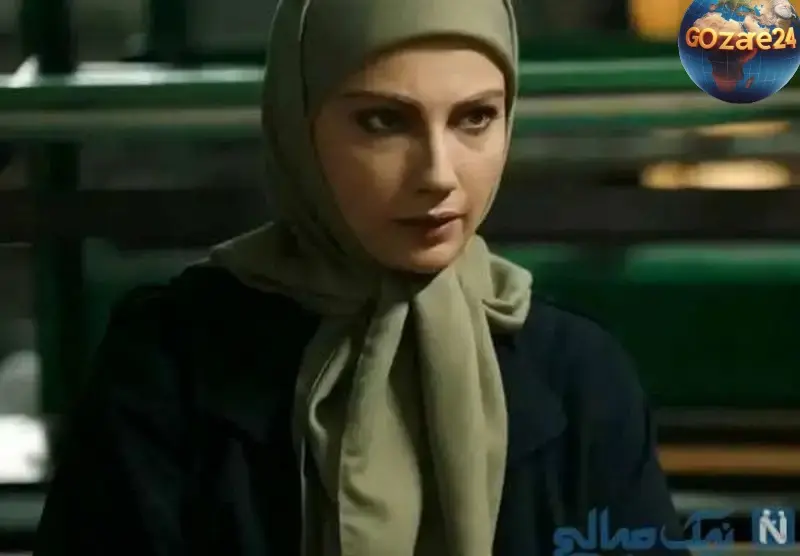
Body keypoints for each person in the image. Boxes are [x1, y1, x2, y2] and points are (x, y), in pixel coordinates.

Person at [33, 0, 686, 554]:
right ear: (298, 124)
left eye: (475, 118)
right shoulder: (169, 365)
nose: (438, 174)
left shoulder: (580, 377)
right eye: (384, 121)